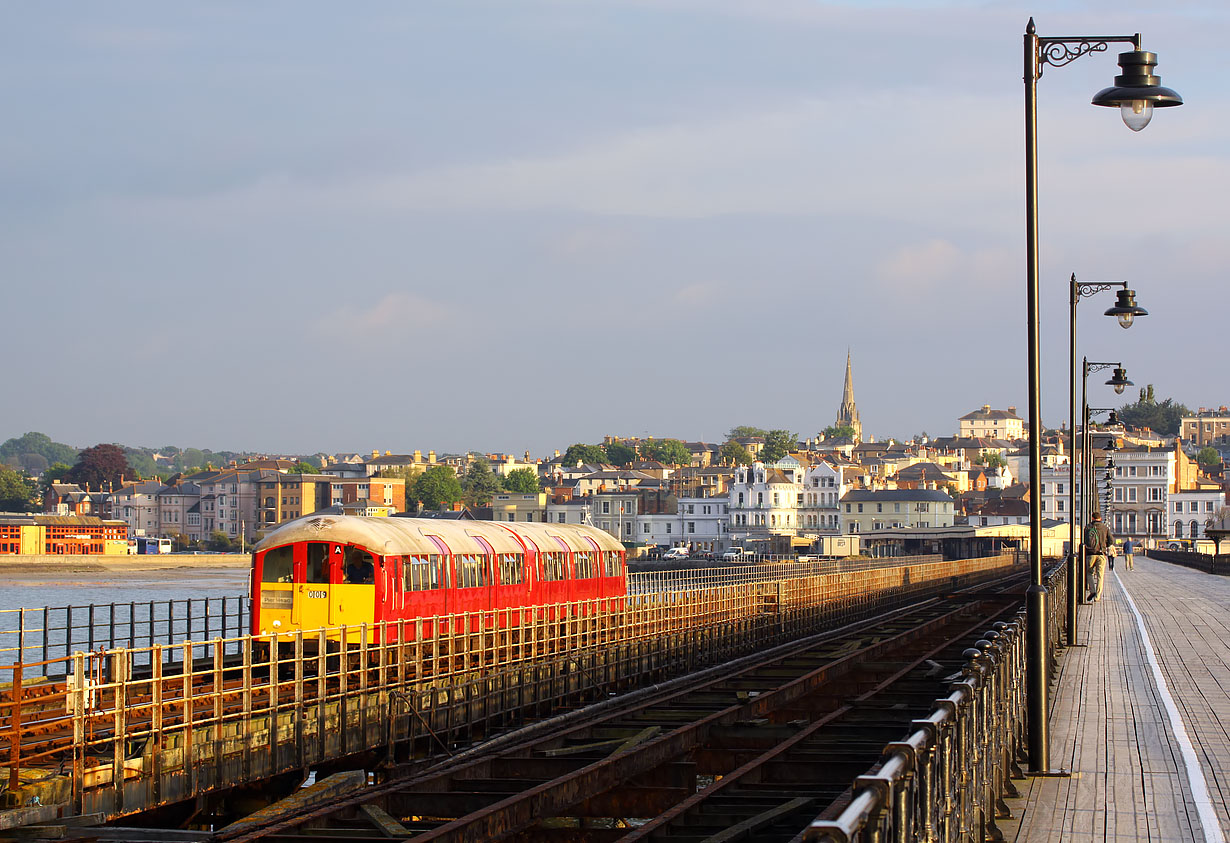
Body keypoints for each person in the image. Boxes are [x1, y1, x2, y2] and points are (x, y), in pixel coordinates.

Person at [1084, 510, 1114, 601]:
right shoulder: (1104, 528)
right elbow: (1111, 541)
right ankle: (1097, 596)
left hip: (1090, 554)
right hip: (1101, 554)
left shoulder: (1088, 527)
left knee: (1089, 573)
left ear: (1092, 518)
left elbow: (1084, 540)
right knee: (1100, 575)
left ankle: (1092, 590)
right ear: (1100, 518)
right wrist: (1105, 546)